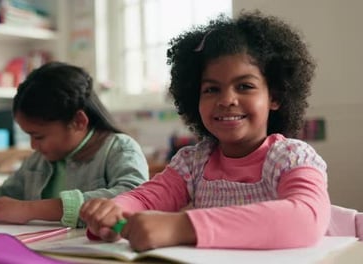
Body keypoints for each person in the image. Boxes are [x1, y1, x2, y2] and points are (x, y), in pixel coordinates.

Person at [80, 10, 330, 251]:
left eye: (244, 86)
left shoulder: (291, 158)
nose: (227, 100)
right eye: (211, 89)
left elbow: (307, 217)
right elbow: (145, 200)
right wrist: (114, 213)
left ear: (274, 96)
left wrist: (181, 226)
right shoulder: (193, 163)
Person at [0, 62, 149, 227]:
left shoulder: (120, 149)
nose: (34, 146)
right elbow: (10, 191)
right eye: (29, 137)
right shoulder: (40, 159)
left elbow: (135, 198)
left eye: (39, 136)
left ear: (78, 122)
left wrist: (29, 210)